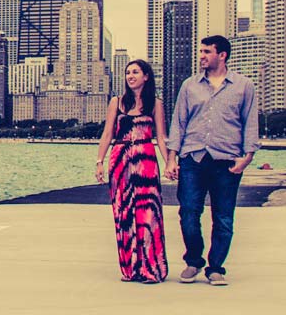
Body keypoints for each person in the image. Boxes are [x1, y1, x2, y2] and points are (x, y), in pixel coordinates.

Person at [166, 34, 260, 287]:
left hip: (227, 161)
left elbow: (250, 123)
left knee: (223, 217)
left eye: (207, 52)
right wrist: (171, 158)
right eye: (201, 52)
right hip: (193, 158)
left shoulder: (243, 86)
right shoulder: (189, 85)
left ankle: (216, 267)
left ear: (222, 55)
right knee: (188, 212)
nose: (201, 56)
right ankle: (194, 260)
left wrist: (247, 158)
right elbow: (179, 122)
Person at [95, 59, 170, 283]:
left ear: (146, 76)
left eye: (135, 72)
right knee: (123, 213)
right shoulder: (116, 103)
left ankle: (151, 269)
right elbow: (107, 134)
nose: (130, 76)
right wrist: (99, 161)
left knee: (148, 212)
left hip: (146, 161)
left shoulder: (155, 104)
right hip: (120, 161)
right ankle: (129, 268)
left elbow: (161, 137)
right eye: (128, 72)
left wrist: (169, 163)